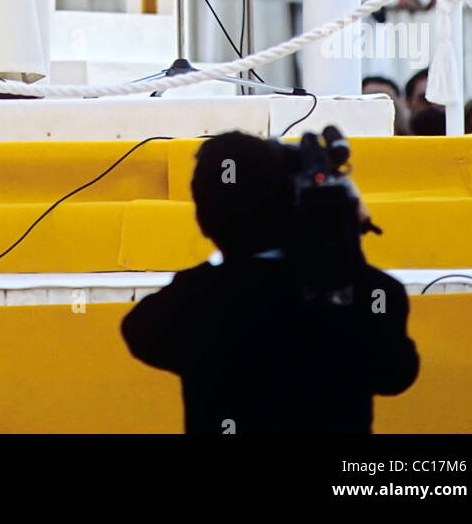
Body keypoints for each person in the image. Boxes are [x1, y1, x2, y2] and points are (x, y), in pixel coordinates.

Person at [121, 131, 419, 435]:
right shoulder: (367, 292)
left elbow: (140, 332)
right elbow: (395, 374)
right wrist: (344, 242)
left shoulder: (193, 299)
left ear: (202, 218)